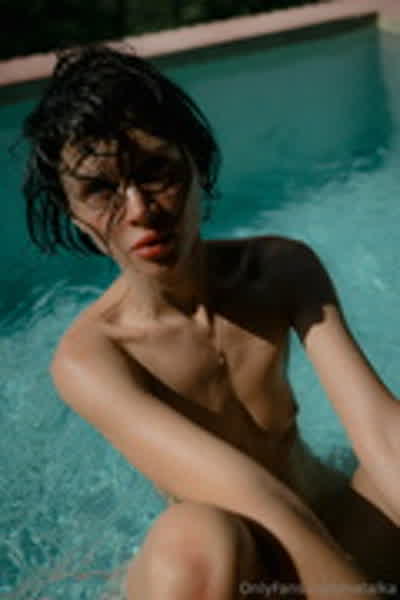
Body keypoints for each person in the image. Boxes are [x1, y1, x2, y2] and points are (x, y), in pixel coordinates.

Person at [23, 44, 399, 599]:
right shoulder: (94, 357)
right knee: (193, 539)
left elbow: (381, 430)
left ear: (196, 166)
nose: (139, 211)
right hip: (236, 575)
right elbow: (257, 500)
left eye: (156, 172)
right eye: (100, 190)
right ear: (74, 215)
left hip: (337, 532)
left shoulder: (279, 271)